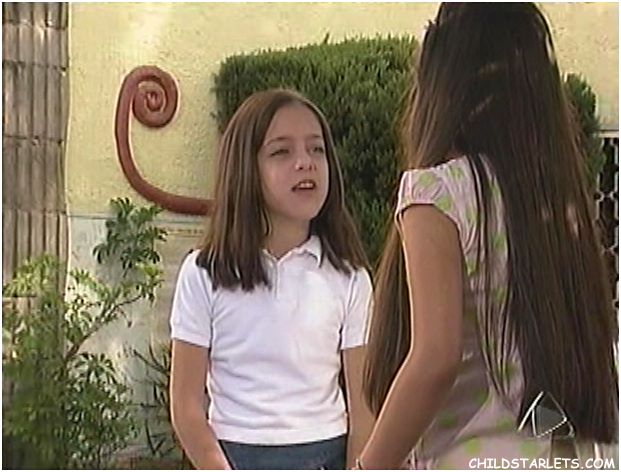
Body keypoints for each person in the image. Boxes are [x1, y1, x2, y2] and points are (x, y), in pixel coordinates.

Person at [357, 3, 618, 469]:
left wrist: (368, 466)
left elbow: (435, 358)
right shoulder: (556, 201)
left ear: (441, 82)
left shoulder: (437, 193)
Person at [169, 88, 374, 470]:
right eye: (281, 152)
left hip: (324, 455)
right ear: (246, 169)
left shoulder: (350, 278)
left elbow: (364, 409)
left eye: (317, 149)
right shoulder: (204, 273)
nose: (305, 163)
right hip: (233, 455)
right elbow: (185, 405)